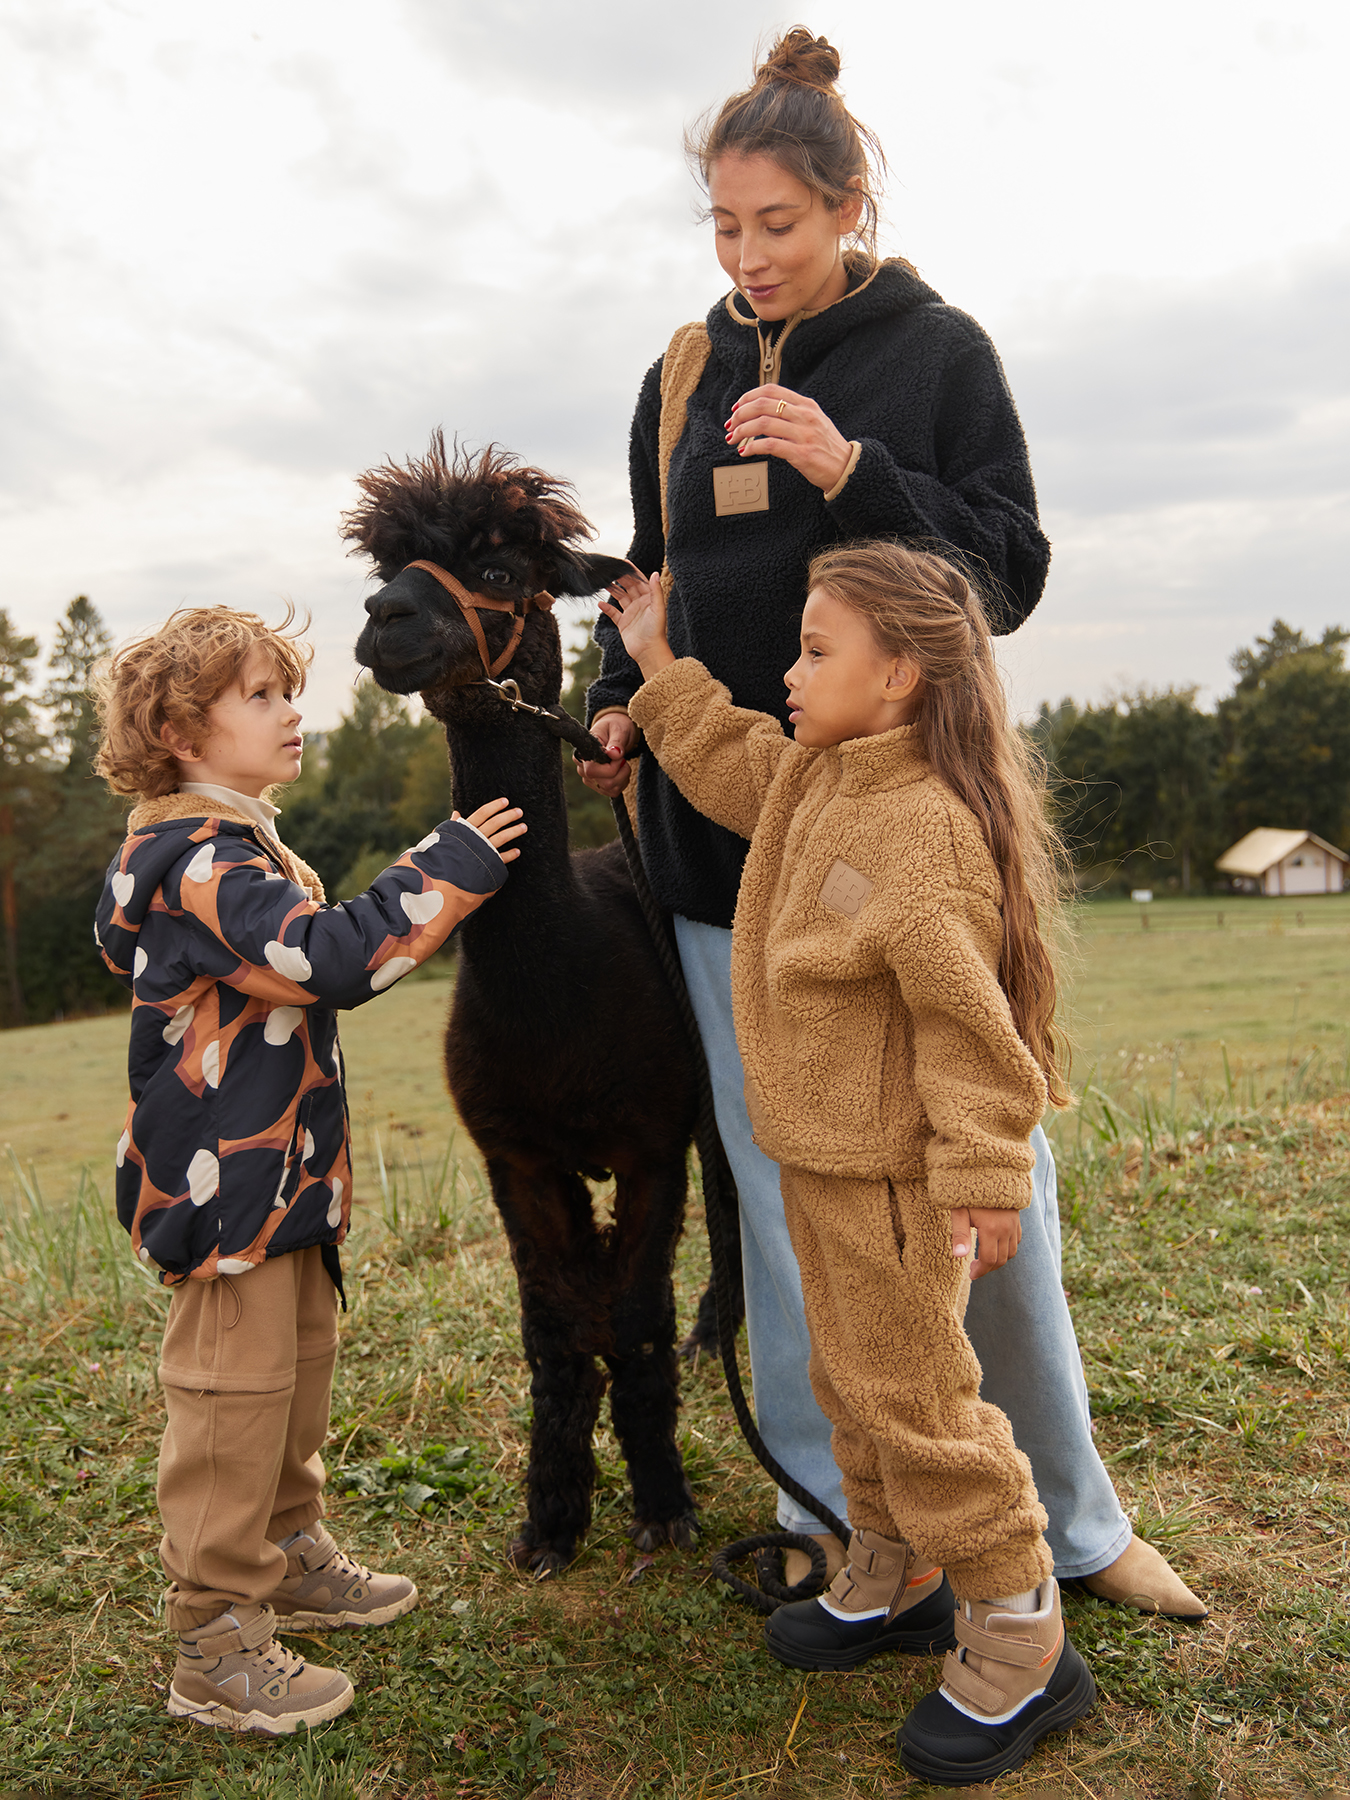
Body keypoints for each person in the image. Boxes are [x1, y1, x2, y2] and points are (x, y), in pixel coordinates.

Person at [579, 26, 1204, 1621]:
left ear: (850, 203)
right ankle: (841, 1515)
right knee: (789, 1207)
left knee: (981, 1197)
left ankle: (1067, 1522)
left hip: (903, 842)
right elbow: (649, 572)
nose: (747, 258)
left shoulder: (937, 354)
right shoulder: (678, 370)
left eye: (776, 225)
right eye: (722, 228)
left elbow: (1001, 575)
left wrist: (854, 472)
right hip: (725, 855)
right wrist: (613, 696)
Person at [599, 540, 1100, 1781]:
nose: (792, 666)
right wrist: (654, 660)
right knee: (849, 1380)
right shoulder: (823, 781)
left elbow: (968, 1028)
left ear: (902, 679)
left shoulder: (921, 830)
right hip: (819, 1166)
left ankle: (1019, 1625)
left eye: (818, 650)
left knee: (918, 1400)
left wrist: (984, 1174)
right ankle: (899, 1565)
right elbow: (728, 762)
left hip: (887, 1180)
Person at [93, 606, 526, 1734]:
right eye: (262, 696)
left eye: (290, 691)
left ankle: (285, 1549)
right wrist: (448, 866)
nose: (294, 713)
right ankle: (216, 1642)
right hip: (221, 1192)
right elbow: (328, 958)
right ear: (184, 730)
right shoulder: (194, 860)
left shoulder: (236, 841)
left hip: (281, 1186)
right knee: (230, 1401)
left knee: (293, 1375)